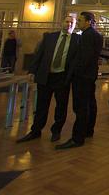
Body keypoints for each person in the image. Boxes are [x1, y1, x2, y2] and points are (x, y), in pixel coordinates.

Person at [17, 15, 80, 143]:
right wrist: (32, 70)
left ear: (74, 25)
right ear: (62, 22)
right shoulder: (50, 37)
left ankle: (56, 131)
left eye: (71, 23)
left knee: (61, 106)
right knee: (41, 105)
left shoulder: (77, 40)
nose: (69, 24)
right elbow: (39, 54)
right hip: (46, 76)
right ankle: (35, 131)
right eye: (67, 21)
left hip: (62, 77)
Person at [56, 11, 102, 150]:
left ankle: (77, 138)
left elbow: (84, 58)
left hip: (82, 77)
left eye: (81, 20)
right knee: (90, 104)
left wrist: (75, 73)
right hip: (89, 76)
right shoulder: (96, 35)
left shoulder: (87, 35)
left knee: (81, 107)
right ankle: (88, 130)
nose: (78, 23)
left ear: (88, 22)